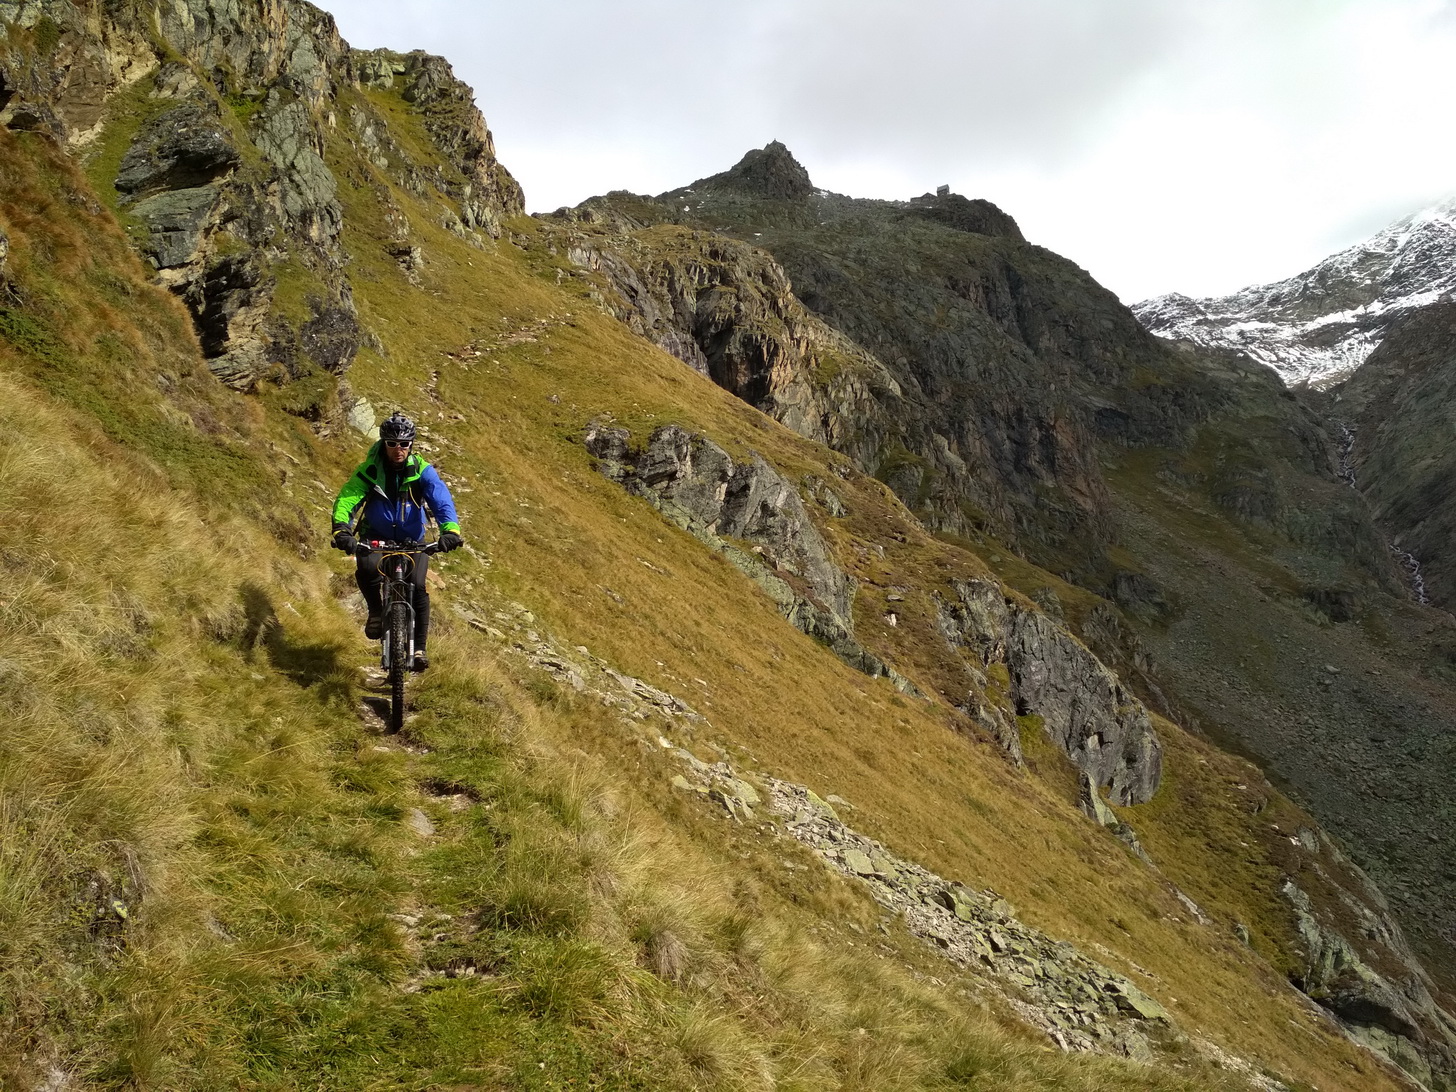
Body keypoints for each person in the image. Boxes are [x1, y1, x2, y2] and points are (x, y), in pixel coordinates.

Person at [330, 412, 463, 671]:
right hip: (375, 535)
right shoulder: (370, 470)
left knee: (418, 586)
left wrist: (450, 531)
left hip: (412, 539)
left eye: (404, 443)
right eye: (392, 443)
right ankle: (376, 611)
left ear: (411, 444)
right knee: (367, 568)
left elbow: (441, 500)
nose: (398, 449)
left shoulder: (422, 471)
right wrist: (341, 530)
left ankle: (420, 648)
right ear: (384, 443)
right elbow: (348, 498)